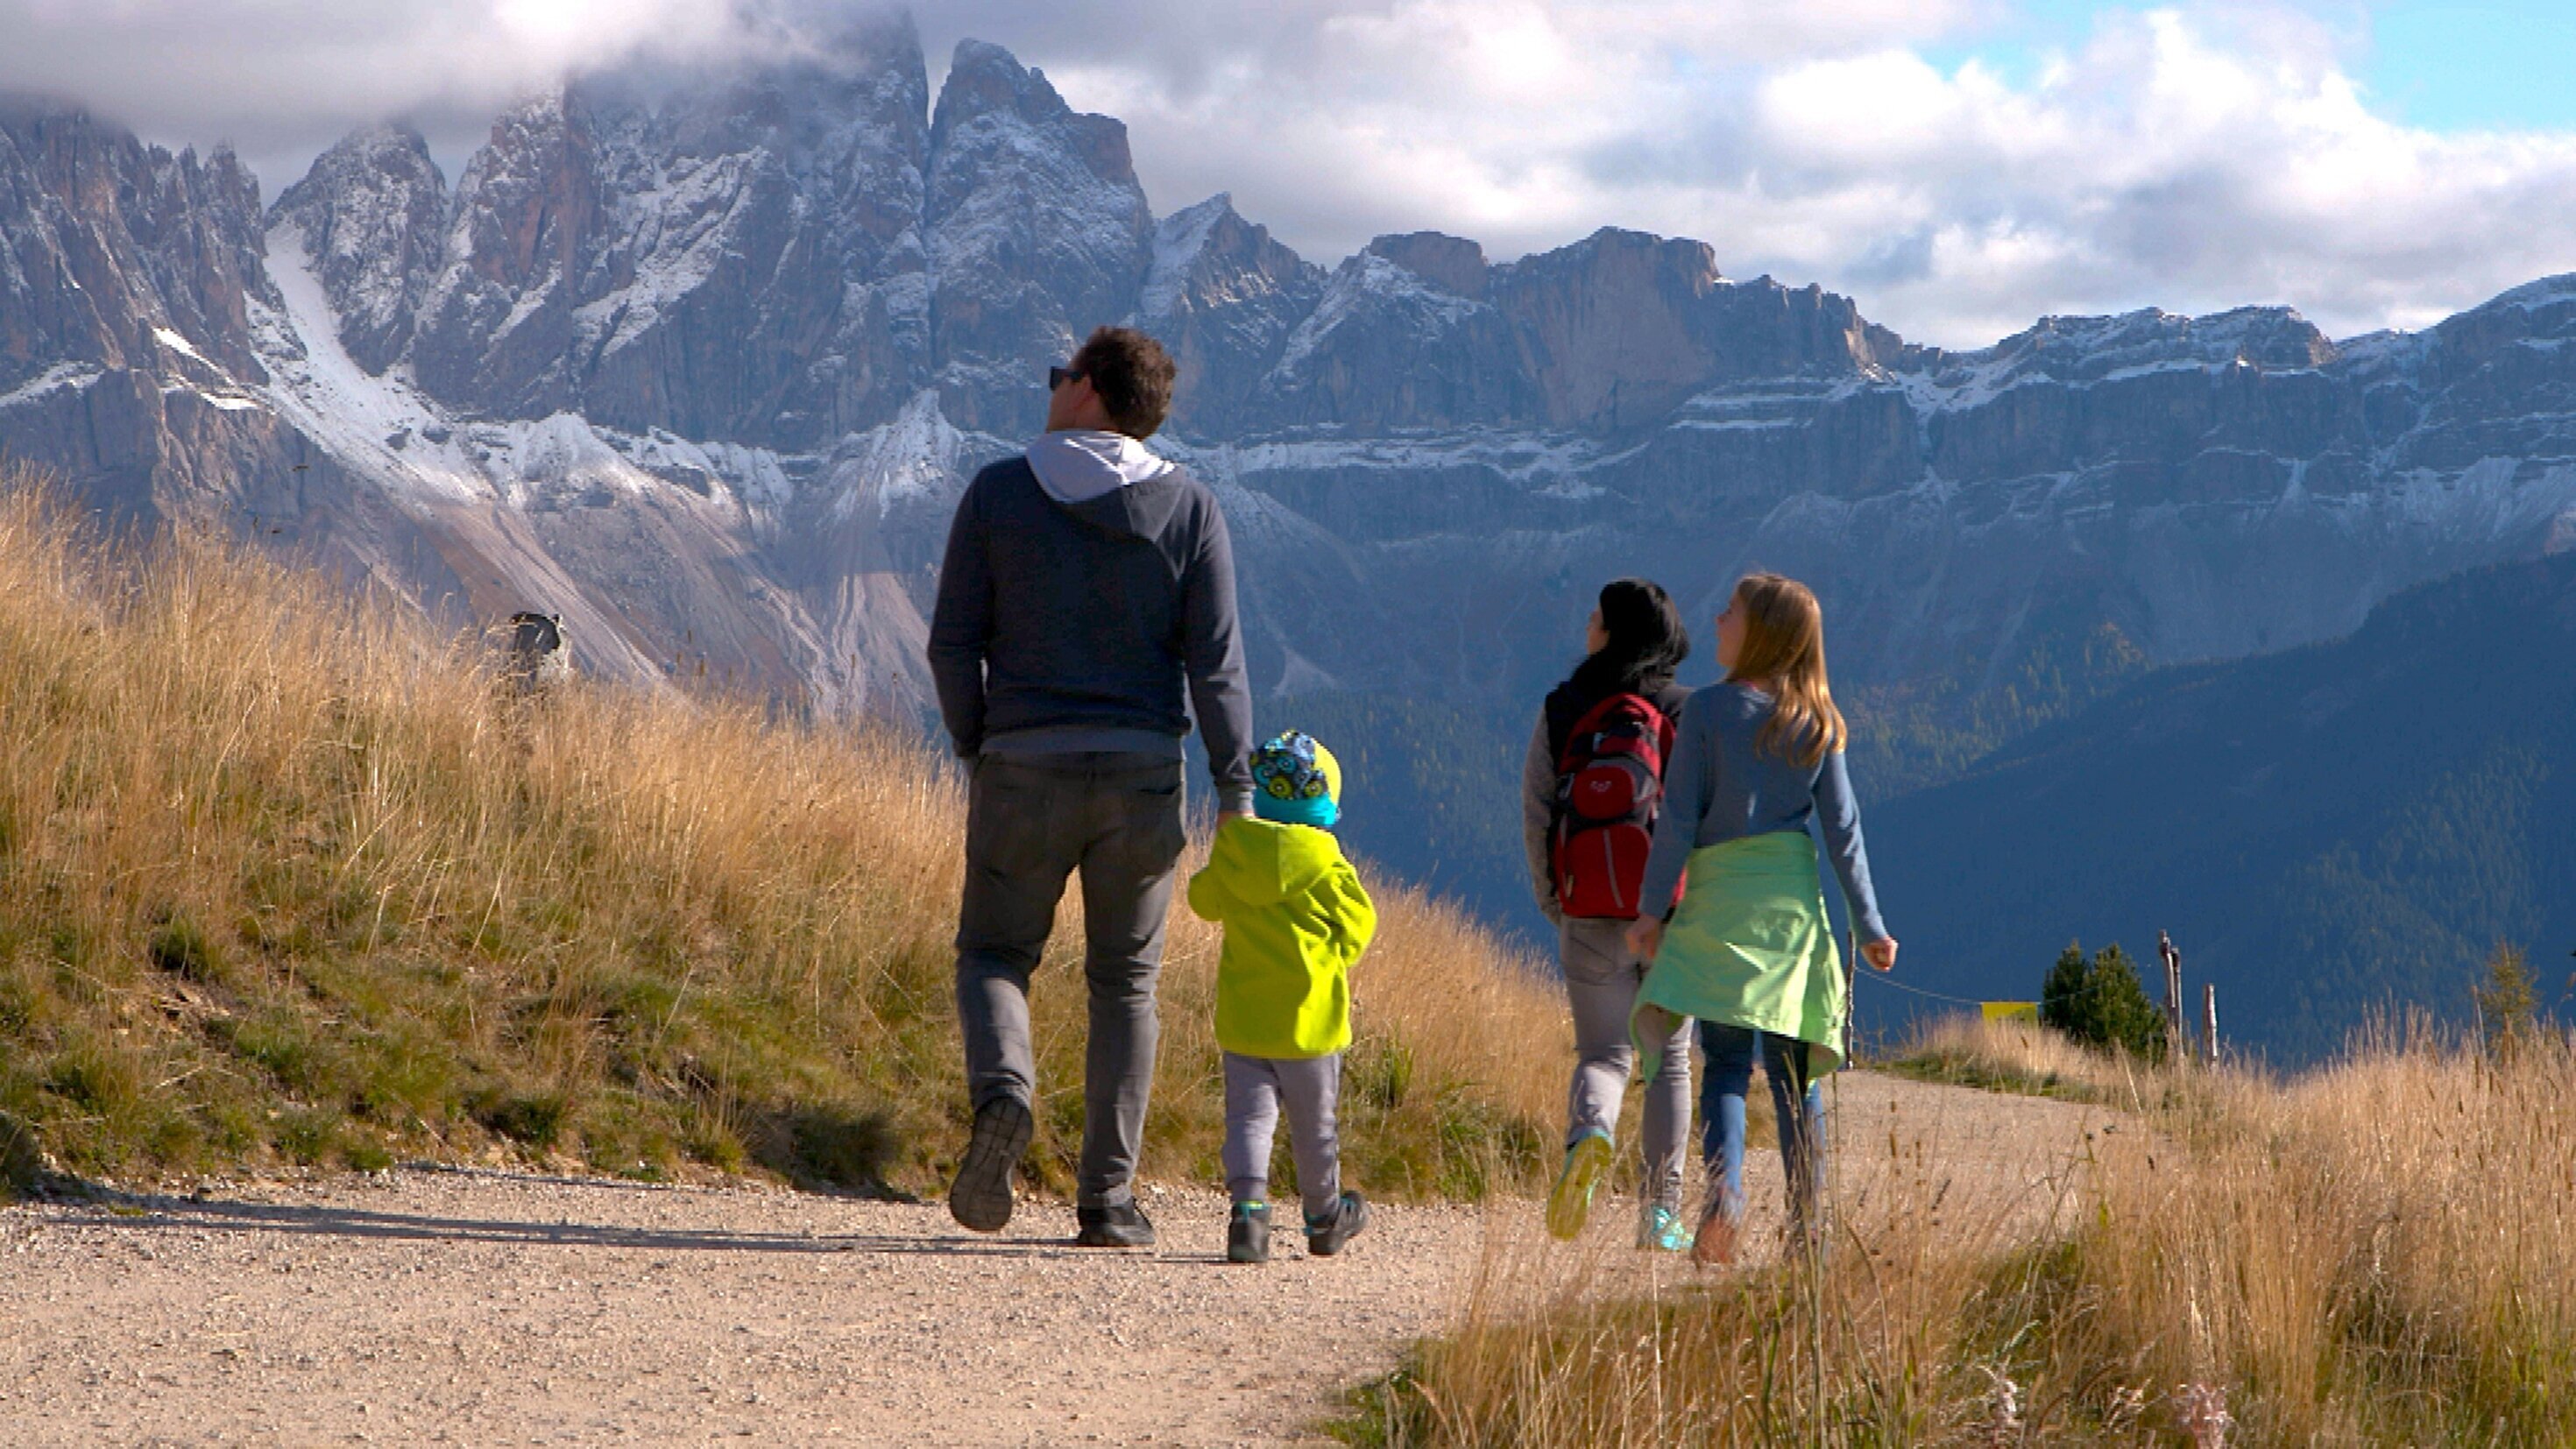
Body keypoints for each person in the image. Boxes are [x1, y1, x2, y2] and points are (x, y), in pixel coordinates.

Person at [927, 325, 1256, 1248]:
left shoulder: (998, 492)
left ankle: (1005, 1094)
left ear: (1088, 393)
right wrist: (1236, 791)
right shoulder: (1192, 508)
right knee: (1127, 985)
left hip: (1022, 762)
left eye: (1059, 373)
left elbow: (953, 642)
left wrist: (976, 744)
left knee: (994, 953)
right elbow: (1218, 668)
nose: (1049, 386)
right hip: (1143, 774)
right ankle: (1107, 1201)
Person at [1626, 573, 1898, 1267]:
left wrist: (1652, 912)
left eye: (1731, 612)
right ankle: (1809, 1229)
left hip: (1718, 903)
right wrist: (1869, 925)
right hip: (1790, 915)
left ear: (1761, 632)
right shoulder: (1819, 721)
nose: (1715, 619)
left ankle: (1725, 1202)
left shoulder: (1709, 713)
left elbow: (1678, 817)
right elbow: (1844, 831)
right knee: (1794, 1074)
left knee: (1723, 1064)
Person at [1520, 579, 1697, 1251]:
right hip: (1670, 917)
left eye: (1596, 620)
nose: (1588, 630)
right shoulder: (1685, 709)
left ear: (1615, 633)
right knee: (1669, 1063)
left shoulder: (1563, 708)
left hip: (1587, 910)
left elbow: (1538, 808)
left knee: (1603, 1054)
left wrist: (1554, 900)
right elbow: (1698, 818)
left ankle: (1590, 1136)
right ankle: (1659, 1215)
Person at [1186, 731, 1377, 1265]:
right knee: (1314, 1125)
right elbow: (1359, 930)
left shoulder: (1236, 851)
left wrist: (1222, 851)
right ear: (1324, 802)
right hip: (1312, 1026)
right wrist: (1334, 953)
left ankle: (1248, 1216)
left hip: (1246, 1020)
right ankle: (1323, 1217)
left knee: (1249, 1120)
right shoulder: (1329, 864)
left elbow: (1202, 901)